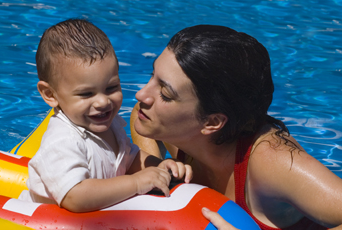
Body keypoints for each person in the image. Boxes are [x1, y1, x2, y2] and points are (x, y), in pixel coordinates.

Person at [130, 25, 342, 229]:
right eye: (152, 76)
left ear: (211, 122)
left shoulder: (272, 162)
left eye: (166, 94)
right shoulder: (181, 134)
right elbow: (138, 114)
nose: (142, 94)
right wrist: (155, 168)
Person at [20, 19, 192, 212]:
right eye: (86, 94)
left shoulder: (108, 125)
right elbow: (75, 197)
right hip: (42, 222)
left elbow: (129, 157)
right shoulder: (62, 140)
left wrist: (160, 166)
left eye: (111, 88)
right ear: (50, 95)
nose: (103, 102)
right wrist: (135, 183)